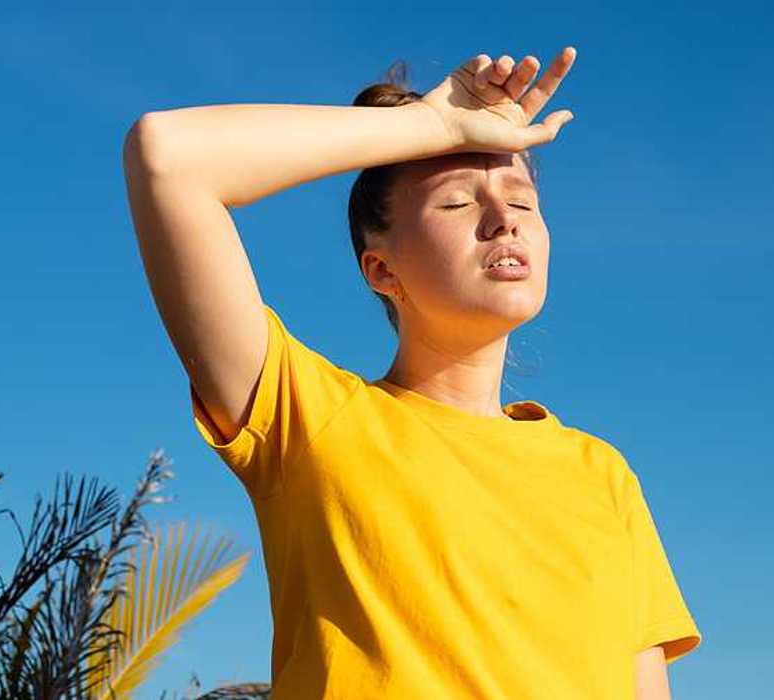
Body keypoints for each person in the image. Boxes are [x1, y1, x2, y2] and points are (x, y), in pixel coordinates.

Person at [122, 46, 701, 700]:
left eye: (523, 203)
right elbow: (169, 156)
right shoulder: (310, 419)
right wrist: (432, 127)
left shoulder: (601, 474)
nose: (503, 221)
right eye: (457, 204)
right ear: (381, 269)